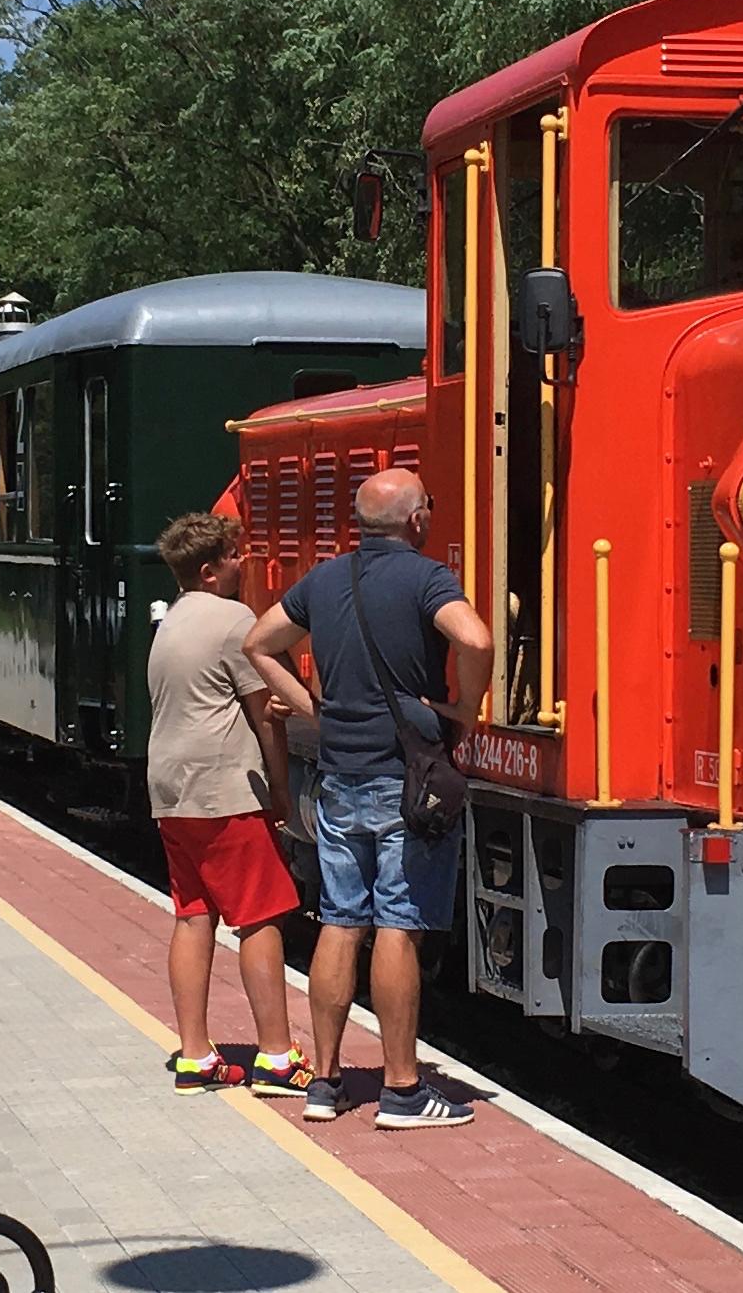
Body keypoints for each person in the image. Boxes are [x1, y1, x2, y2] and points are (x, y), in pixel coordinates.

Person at [246, 466, 493, 1129]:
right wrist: (464, 708)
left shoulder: (326, 578)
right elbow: (475, 637)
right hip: (402, 777)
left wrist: (313, 707)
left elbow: (258, 643)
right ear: (416, 519)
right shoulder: (426, 577)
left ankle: (324, 1083)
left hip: (339, 775)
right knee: (398, 924)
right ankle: (404, 1090)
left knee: (340, 919)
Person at [144, 511, 306, 1095]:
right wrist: (282, 788)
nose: (245, 563)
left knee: (193, 915)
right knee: (260, 917)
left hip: (170, 788)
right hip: (223, 790)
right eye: (237, 556)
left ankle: (194, 1056)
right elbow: (265, 711)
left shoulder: (172, 620)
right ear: (211, 570)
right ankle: (277, 1057)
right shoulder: (236, 619)